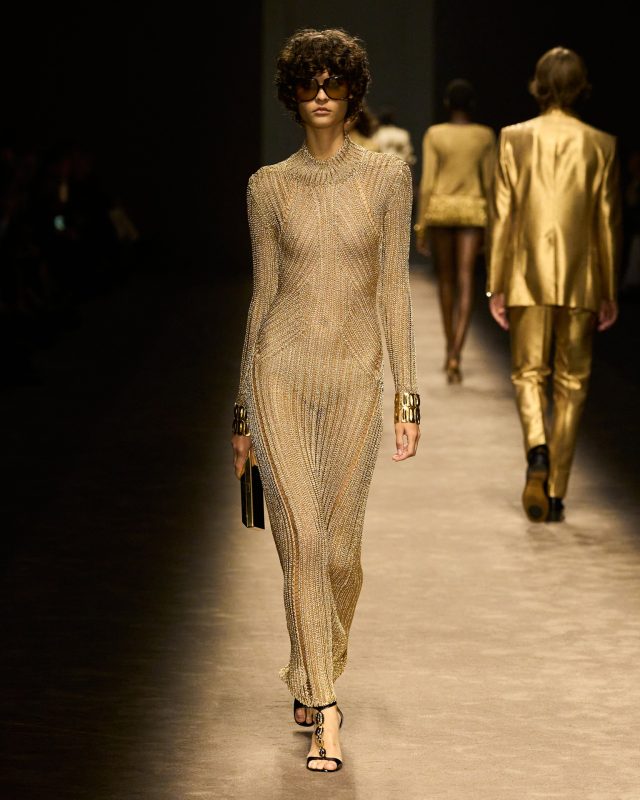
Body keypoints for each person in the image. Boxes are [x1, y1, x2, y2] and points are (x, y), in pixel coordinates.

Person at [230, 27, 421, 772]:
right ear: (291, 94)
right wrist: (241, 413)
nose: (319, 94)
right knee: (304, 541)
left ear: (351, 92)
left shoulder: (388, 177)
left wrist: (407, 398)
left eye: (332, 82)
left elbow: (396, 290)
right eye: (307, 83)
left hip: (354, 379)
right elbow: (263, 296)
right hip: (278, 374)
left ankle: (309, 664)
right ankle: (324, 704)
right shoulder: (267, 186)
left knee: (340, 554)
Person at [487, 46, 621, 523]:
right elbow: (607, 223)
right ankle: (557, 491)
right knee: (573, 382)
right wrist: (609, 289)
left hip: (526, 275)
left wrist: (496, 283)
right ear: (582, 86)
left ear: (539, 85)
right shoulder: (602, 144)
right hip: (582, 279)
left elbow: (502, 216)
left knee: (528, 374)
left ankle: (537, 451)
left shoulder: (513, 138)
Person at [414, 79, 496, 383]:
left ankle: (450, 346)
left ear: (447, 104)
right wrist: (494, 225)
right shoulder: (484, 136)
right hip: (473, 212)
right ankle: (456, 353)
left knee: (446, 280)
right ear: (472, 104)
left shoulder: (435, 134)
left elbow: (428, 183)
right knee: (466, 278)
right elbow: (490, 183)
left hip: (440, 211)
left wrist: (421, 225)